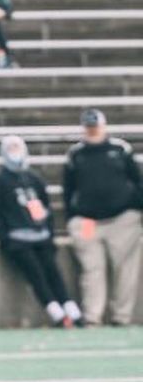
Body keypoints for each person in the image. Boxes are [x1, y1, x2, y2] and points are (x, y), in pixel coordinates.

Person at [0, 136, 83, 327]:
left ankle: (71, 309)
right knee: (36, 275)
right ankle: (56, 312)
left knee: (53, 272)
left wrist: (49, 233)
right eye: (11, 148)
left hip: (41, 236)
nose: (15, 151)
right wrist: (5, 239)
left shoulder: (33, 179)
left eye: (17, 147)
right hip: (18, 239)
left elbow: (46, 208)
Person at [63, 108, 143, 327]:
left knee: (125, 270)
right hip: (88, 221)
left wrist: (137, 210)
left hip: (121, 219)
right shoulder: (76, 154)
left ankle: (121, 317)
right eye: (89, 127)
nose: (93, 131)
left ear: (103, 126)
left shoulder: (120, 149)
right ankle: (92, 317)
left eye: (95, 127)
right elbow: (68, 189)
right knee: (92, 270)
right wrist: (73, 218)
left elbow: (137, 180)